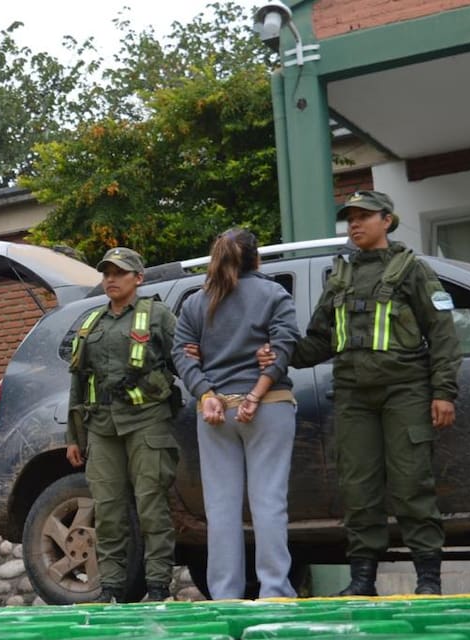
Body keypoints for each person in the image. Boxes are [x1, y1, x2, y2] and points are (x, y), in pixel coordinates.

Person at [285, 190, 461, 595]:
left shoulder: (411, 270)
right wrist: (279, 352)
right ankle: (362, 581)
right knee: (358, 487)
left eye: (364, 216)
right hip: (353, 396)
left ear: (387, 220)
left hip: (405, 392)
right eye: (350, 217)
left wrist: (444, 392)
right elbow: (318, 341)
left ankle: (428, 581)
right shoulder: (340, 276)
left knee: (411, 483)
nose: (355, 223)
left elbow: (443, 334)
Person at [173, 229, 300, 600]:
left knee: (221, 509)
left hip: (214, 412)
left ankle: (225, 596)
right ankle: (274, 591)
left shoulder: (197, 302)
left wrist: (206, 394)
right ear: (256, 259)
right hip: (268, 407)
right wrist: (256, 395)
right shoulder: (274, 295)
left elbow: (182, 352)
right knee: (269, 502)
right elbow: (286, 345)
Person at [66, 247, 180, 603]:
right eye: (106, 273)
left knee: (151, 508)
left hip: (147, 421)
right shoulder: (91, 322)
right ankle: (111, 588)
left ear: (138, 278)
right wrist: (74, 436)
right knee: (109, 511)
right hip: (101, 427)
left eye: (119, 272)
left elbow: (185, 362)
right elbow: (78, 382)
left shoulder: (158, 315)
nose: (111, 279)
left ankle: (159, 585)